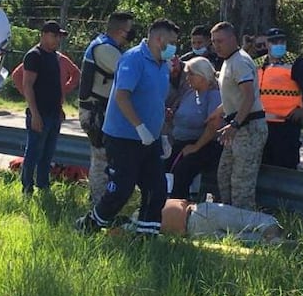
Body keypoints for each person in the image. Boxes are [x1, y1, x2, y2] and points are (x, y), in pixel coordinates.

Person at [75, 19, 180, 236]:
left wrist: (161, 135)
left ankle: (145, 235)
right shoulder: (133, 59)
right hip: (124, 137)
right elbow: (122, 97)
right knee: (121, 190)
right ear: (158, 39)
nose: (174, 48)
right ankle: (90, 224)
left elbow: (156, 104)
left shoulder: (162, 65)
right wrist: (139, 127)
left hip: (150, 139)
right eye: (171, 42)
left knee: (156, 190)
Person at [77, 11, 136, 205]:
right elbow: (130, 73)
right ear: (120, 31)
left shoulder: (105, 45)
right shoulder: (105, 49)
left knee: (105, 157)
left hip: (100, 110)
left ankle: (102, 200)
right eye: (129, 30)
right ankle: (98, 202)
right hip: (95, 112)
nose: (131, 34)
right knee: (101, 158)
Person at [208, 21, 267, 210]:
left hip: (248, 127)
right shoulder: (228, 61)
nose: (216, 45)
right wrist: (216, 114)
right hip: (236, 126)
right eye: (214, 41)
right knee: (224, 175)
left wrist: (234, 124)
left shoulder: (240, 61)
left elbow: (249, 96)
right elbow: (233, 98)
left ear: (233, 39)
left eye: (220, 41)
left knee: (242, 183)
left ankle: (246, 227)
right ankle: (229, 219)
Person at [257, 27, 303, 169]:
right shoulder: (258, 63)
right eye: (274, 41)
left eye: (281, 41)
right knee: (261, 166)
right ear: (267, 43)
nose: (278, 44)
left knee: (285, 165)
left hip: (286, 126)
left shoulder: (296, 63)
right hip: (261, 125)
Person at [20, 20, 68, 195]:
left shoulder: (55, 56)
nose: (57, 40)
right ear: (43, 34)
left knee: (48, 154)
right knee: (33, 152)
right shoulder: (34, 56)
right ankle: (26, 186)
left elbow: (56, 85)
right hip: (39, 113)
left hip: (54, 113)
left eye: (59, 37)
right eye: (54, 35)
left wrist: (60, 107)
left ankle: (43, 185)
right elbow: (28, 86)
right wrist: (35, 114)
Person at [166, 56, 223, 201]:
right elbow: (181, 113)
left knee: (181, 171)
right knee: (163, 170)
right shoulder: (189, 93)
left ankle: (177, 208)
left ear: (202, 75)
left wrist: (196, 147)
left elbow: (213, 126)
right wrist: (171, 115)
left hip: (204, 145)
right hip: (181, 143)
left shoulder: (213, 95)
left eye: (191, 74)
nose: (187, 78)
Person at [160, 198, 284, 242]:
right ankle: (275, 235)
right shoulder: (156, 202)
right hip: (200, 213)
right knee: (255, 220)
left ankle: (272, 241)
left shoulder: (144, 220)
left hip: (194, 233)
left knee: (245, 238)